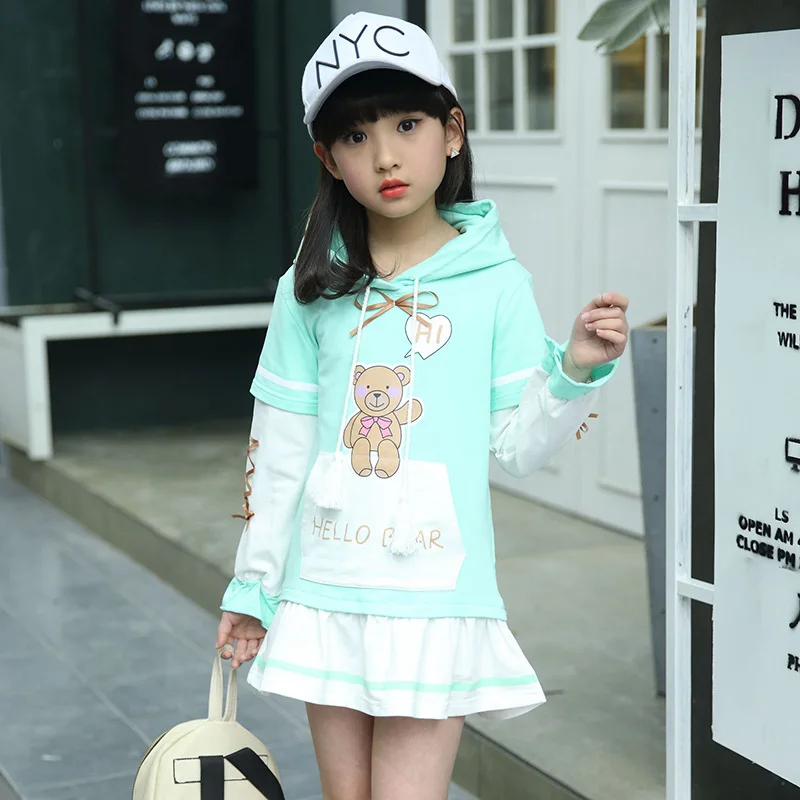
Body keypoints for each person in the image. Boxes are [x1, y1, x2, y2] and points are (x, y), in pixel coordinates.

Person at [216, 11, 629, 800]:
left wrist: (576, 370)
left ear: (452, 131)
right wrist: (253, 586)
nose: (385, 155)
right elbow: (279, 450)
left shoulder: (498, 284)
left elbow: (520, 447)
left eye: (407, 124)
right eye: (355, 135)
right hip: (326, 587)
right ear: (327, 158)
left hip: (435, 595)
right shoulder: (308, 288)